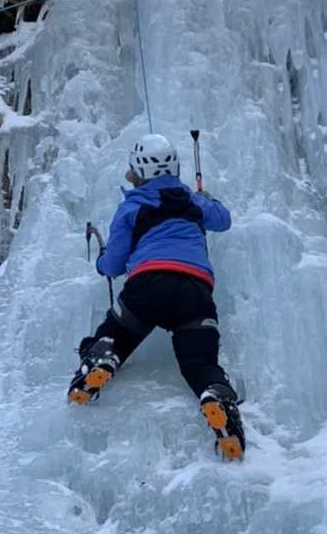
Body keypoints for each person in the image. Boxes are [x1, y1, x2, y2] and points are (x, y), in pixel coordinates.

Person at [68, 134, 245, 460]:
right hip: (195, 290)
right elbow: (223, 220)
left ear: (137, 170)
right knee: (201, 363)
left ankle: (102, 357)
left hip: (148, 284)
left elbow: (114, 264)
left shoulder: (132, 206)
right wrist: (207, 198)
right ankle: (216, 396)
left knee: (116, 333)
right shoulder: (193, 201)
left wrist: (101, 262)